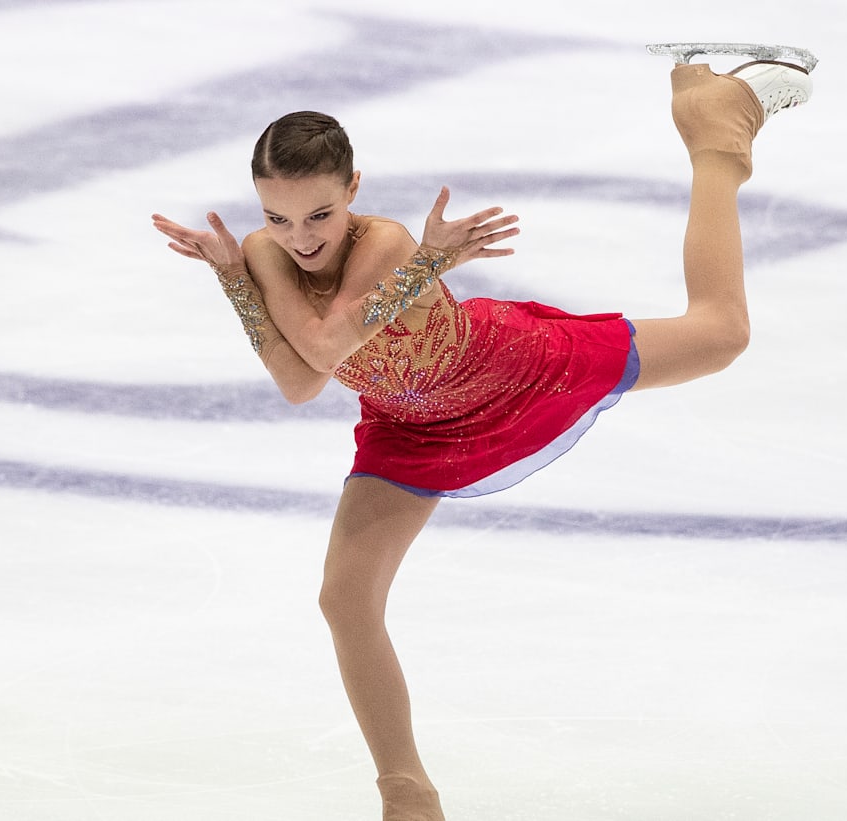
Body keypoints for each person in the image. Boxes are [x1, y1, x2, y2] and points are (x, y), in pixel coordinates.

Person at [152, 45, 813, 821]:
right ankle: (408, 795)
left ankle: (716, 129)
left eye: (320, 214)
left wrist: (416, 266)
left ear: (353, 190)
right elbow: (301, 381)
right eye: (277, 217)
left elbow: (323, 347)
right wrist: (236, 276)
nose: (300, 238)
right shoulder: (264, 254)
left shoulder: (385, 244)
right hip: (408, 427)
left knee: (721, 334)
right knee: (345, 597)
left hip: (511, 374)